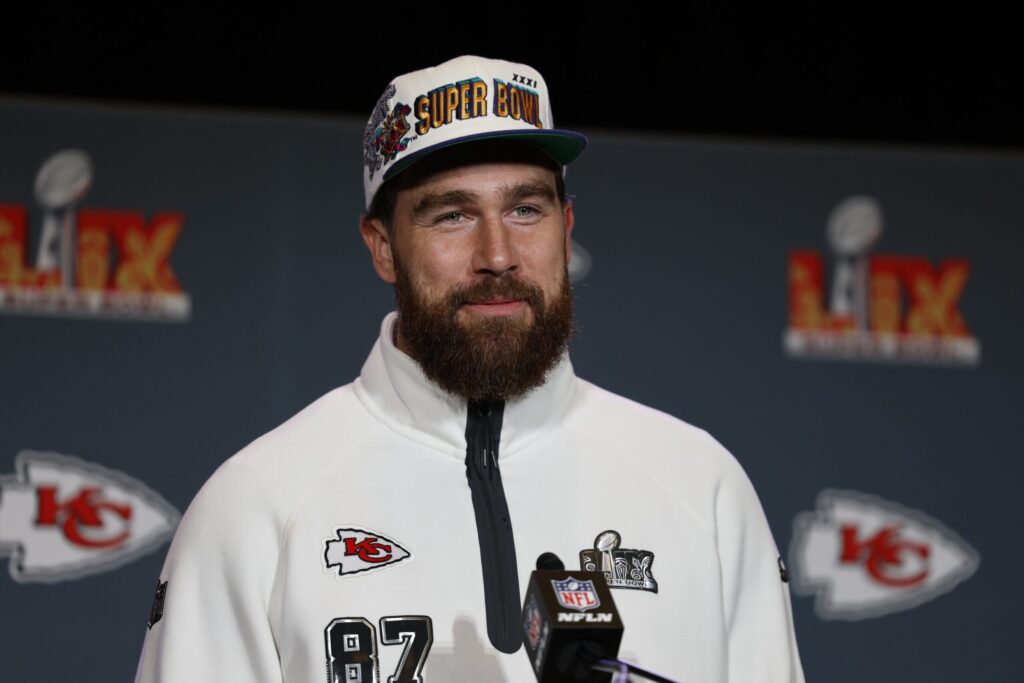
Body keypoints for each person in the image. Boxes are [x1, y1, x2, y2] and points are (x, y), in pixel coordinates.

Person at [135, 55, 805, 683]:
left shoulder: (700, 485)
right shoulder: (257, 505)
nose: (498, 254)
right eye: (452, 215)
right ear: (383, 247)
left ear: (567, 227)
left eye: (525, 209)